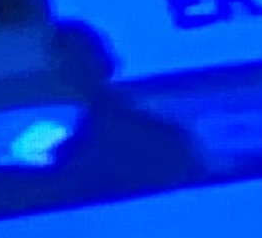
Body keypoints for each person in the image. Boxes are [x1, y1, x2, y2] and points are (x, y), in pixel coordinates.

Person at [32, 18, 205, 204]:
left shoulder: (164, 136)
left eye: (78, 64)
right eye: (68, 67)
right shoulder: (70, 153)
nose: (72, 73)